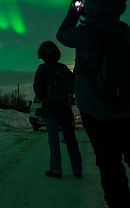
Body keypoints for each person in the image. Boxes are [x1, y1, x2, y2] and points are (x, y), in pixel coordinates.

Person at [56, 0, 130, 208]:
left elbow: (62, 34)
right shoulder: (123, 29)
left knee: (109, 163)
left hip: (96, 109)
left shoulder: (85, 33)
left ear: (90, 6)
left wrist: (76, 6)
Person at [33, 41, 82, 179]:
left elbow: (38, 89)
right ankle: (77, 169)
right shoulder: (64, 68)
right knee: (71, 139)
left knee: (53, 140)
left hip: (50, 109)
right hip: (65, 108)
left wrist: (45, 100)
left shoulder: (42, 69)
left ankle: (56, 169)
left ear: (43, 55)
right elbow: (73, 84)